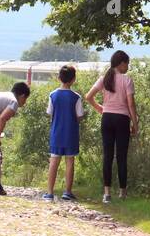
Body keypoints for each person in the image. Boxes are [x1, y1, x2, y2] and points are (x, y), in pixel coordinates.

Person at [85, 51, 137, 204]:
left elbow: (88, 97)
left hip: (107, 118)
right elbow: (131, 104)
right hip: (122, 119)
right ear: (121, 63)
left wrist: (100, 108)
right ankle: (122, 192)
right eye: (127, 63)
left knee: (107, 156)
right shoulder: (126, 80)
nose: (128, 66)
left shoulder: (104, 78)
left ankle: (106, 193)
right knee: (121, 157)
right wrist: (135, 123)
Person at [44, 65, 84, 201]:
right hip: (71, 134)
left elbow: (50, 113)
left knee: (53, 162)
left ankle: (49, 192)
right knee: (70, 162)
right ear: (73, 79)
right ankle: (67, 191)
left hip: (56, 133)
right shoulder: (76, 97)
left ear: (59, 78)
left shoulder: (53, 95)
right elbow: (79, 116)